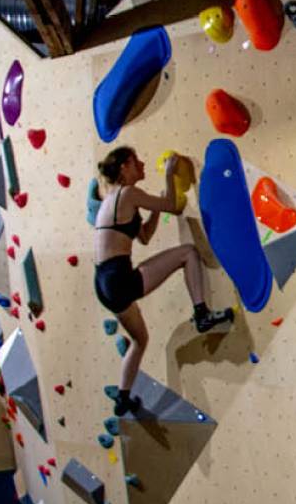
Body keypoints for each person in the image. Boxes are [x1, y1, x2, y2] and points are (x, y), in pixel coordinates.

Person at [93, 147, 233, 416]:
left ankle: (123, 397)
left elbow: (144, 236)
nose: (143, 164)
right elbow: (172, 205)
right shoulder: (128, 193)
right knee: (189, 253)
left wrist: (154, 210)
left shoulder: (113, 199)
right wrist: (169, 174)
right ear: (124, 167)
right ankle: (201, 314)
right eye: (137, 161)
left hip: (104, 283)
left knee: (140, 339)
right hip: (118, 278)